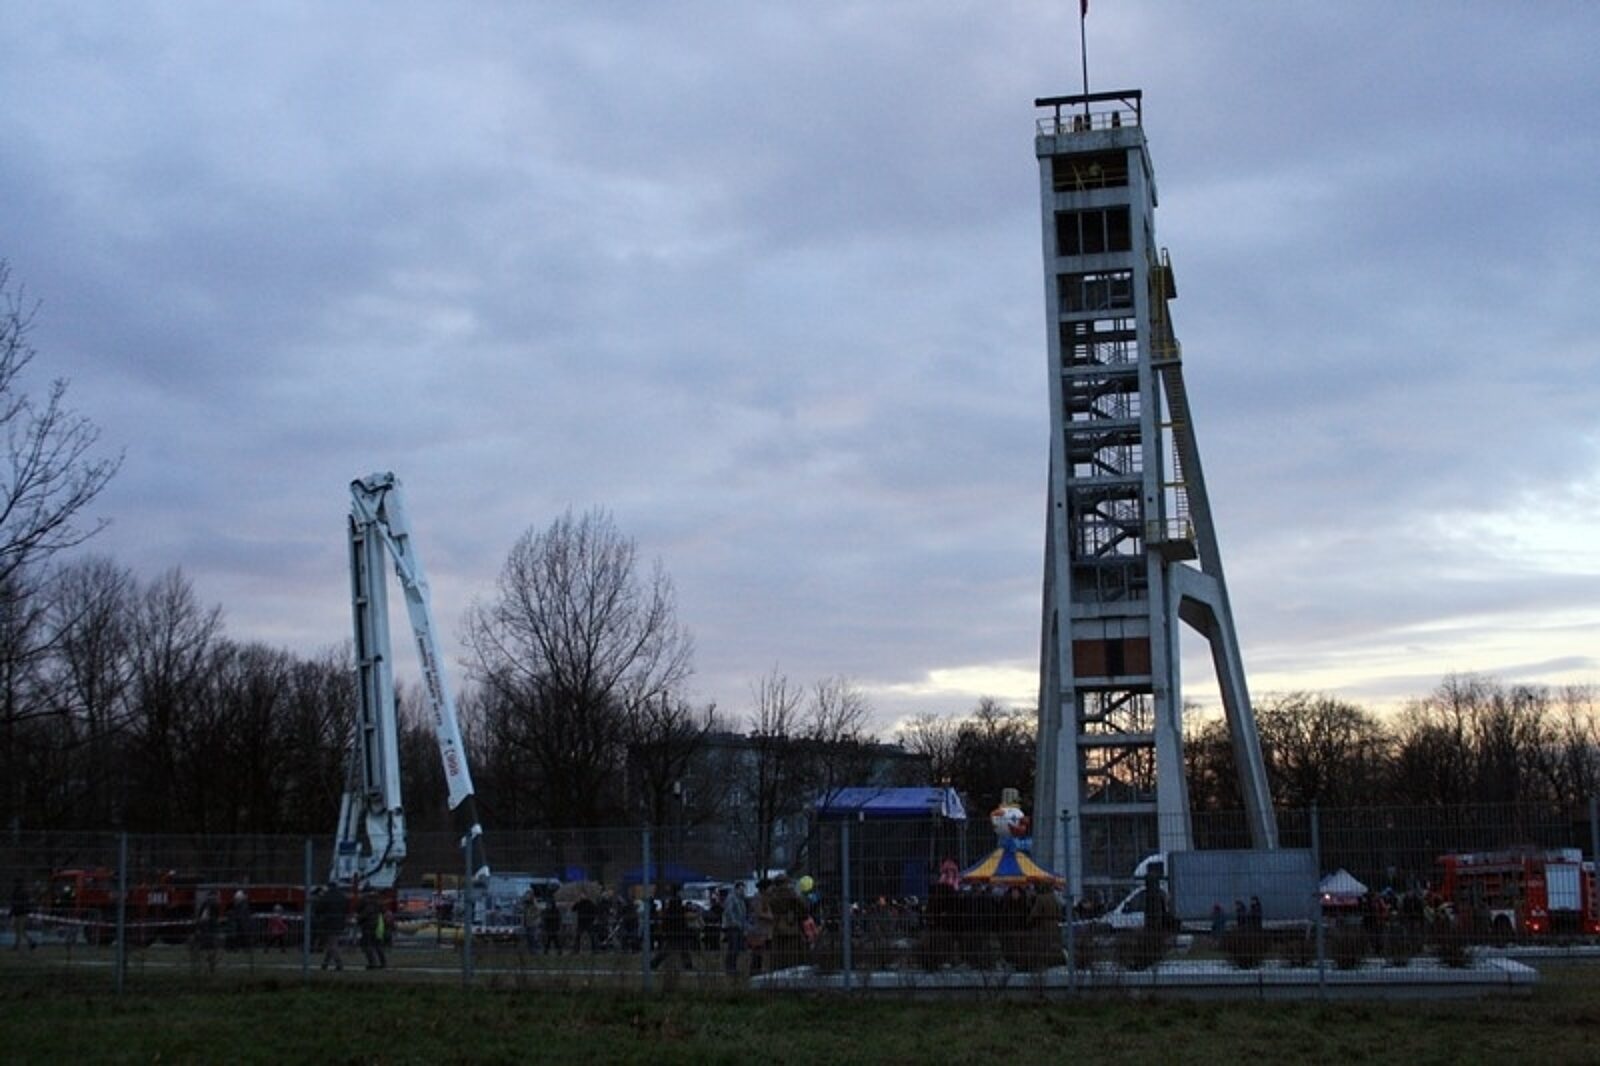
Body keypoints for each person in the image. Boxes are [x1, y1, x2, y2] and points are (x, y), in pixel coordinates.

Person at [649, 884, 693, 971]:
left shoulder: (672, 902)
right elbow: (678, 914)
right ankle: (688, 965)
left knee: (673, 949)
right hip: (677, 929)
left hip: (674, 929)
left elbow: (670, 915)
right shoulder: (676, 902)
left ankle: (654, 963)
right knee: (679, 948)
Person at [316, 880, 348, 972]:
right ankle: (325, 964)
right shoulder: (342, 896)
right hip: (340, 922)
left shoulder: (326, 896)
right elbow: (346, 909)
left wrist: (320, 918)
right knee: (332, 943)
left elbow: (319, 909)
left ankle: (339, 964)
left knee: (332, 945)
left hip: (329, 922)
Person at [721, 883, 747, 976]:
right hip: (733, 927)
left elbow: (743, 913)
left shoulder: (741, 899)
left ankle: (733, 967)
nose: (743, 891)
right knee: (733, 947)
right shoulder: (731, 898)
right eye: (741, 889)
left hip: (739, 927)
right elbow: (729, 911)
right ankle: (730, 968)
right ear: (736, 889)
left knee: (736, 948)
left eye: (743, 889)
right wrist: (735, 922)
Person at [357, 889, 387, 969]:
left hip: (368, 925)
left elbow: (365, 914)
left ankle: (372, 963)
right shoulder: (378, 901)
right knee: (378, 945)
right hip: (378, 926)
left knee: (367, 945)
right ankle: (383, 962)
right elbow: (384, 912)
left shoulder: (367, 902)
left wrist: (358, 918)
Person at [10, 878, 33, 951]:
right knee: (19, 930)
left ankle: (17, 945)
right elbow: (14, 904)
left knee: (20, 930)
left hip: (22, 914)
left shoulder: (22, 892)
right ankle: (30, 942)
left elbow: (24, 903)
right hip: (18, 913)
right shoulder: (16, 892)